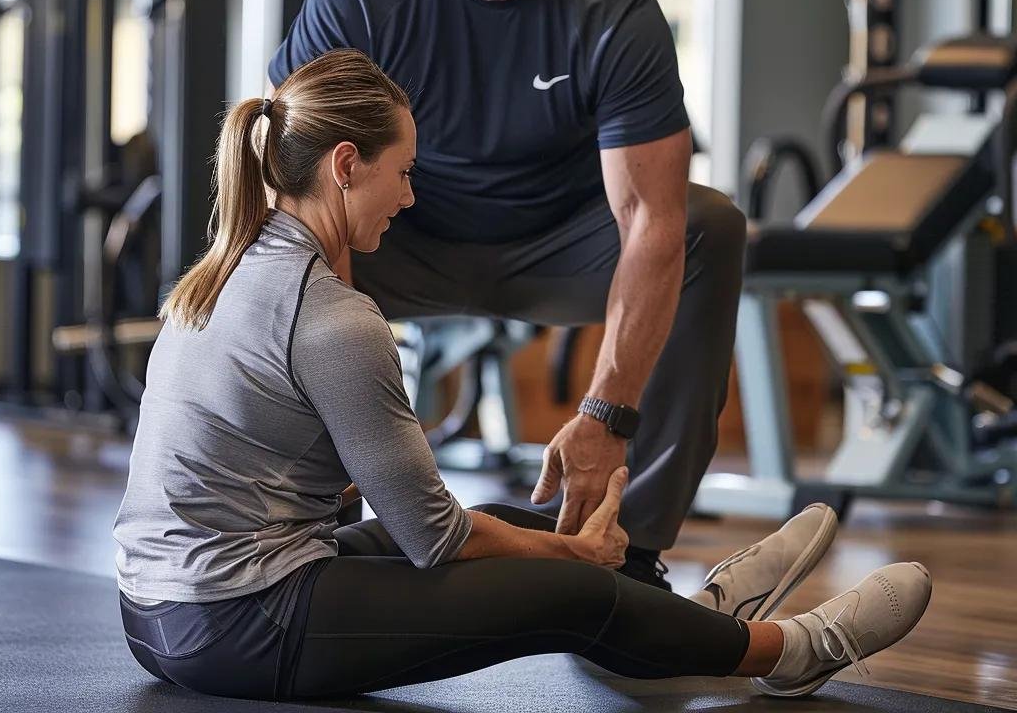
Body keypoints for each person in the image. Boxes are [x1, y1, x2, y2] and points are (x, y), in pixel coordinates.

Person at [113, 50, 931, 702]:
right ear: (346, 164)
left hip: (156, 614)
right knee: (569, 590)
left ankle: (687, 619)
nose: (408, 196)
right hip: (235, 624)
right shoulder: (331, 318)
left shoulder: (222, 272)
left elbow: (386, 509)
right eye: (402, 173)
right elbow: (434, 540)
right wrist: (574, 556)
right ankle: (790, 652)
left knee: (519, 523)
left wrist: (558, 542)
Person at [266, 0, 743, 589]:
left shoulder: (609, 4)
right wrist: (348, 421)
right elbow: (301, 191)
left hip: (558, 242)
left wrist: (604, 413)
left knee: (707, 227)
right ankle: (312, 537)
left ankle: (634, 551)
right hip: (402, 237)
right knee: (270, 243)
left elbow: (650, 218)